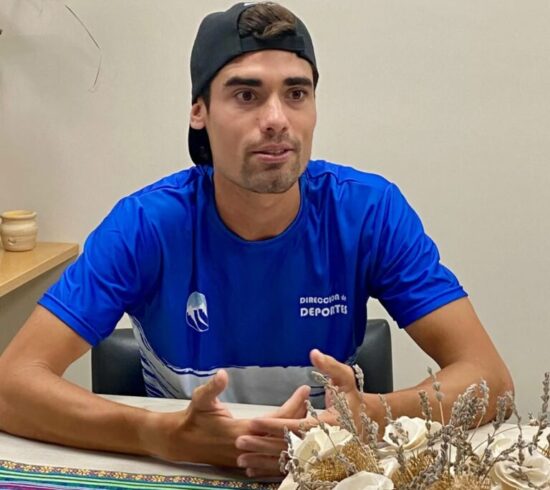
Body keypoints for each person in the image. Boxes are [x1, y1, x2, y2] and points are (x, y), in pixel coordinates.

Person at [0, 1, 513, 479]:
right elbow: (11, 384)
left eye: (296, 94)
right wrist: (165, 435)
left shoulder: (368, 212)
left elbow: (489, 377)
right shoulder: (145, 225)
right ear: (199, 111)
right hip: (185, 473)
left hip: (323, 473)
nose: (276, 120)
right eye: (246, 95)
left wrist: (372, 415)